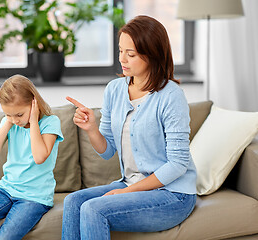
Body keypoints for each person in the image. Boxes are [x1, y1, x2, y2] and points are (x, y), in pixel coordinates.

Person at [62, 15, 197, 240]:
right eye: (120, 51)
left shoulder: (171, 96)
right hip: (130, 184)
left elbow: (178, 164)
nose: (122, 59)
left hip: (172, 194)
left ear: (151, 54)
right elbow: (107, 151)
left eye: (130, 54)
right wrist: (92, 129)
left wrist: (126, 192)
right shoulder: (114, 89)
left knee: (93, 209)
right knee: (73, 201)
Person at [0, 74, 63, 240]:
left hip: (34, 198)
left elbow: (39, 157)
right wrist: (8, 121)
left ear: (34, 104)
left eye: (19, 115)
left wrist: (32, 120)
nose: (15, 120)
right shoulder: (10, 122)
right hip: (6, 190)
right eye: (9, 114)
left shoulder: (50, 122)